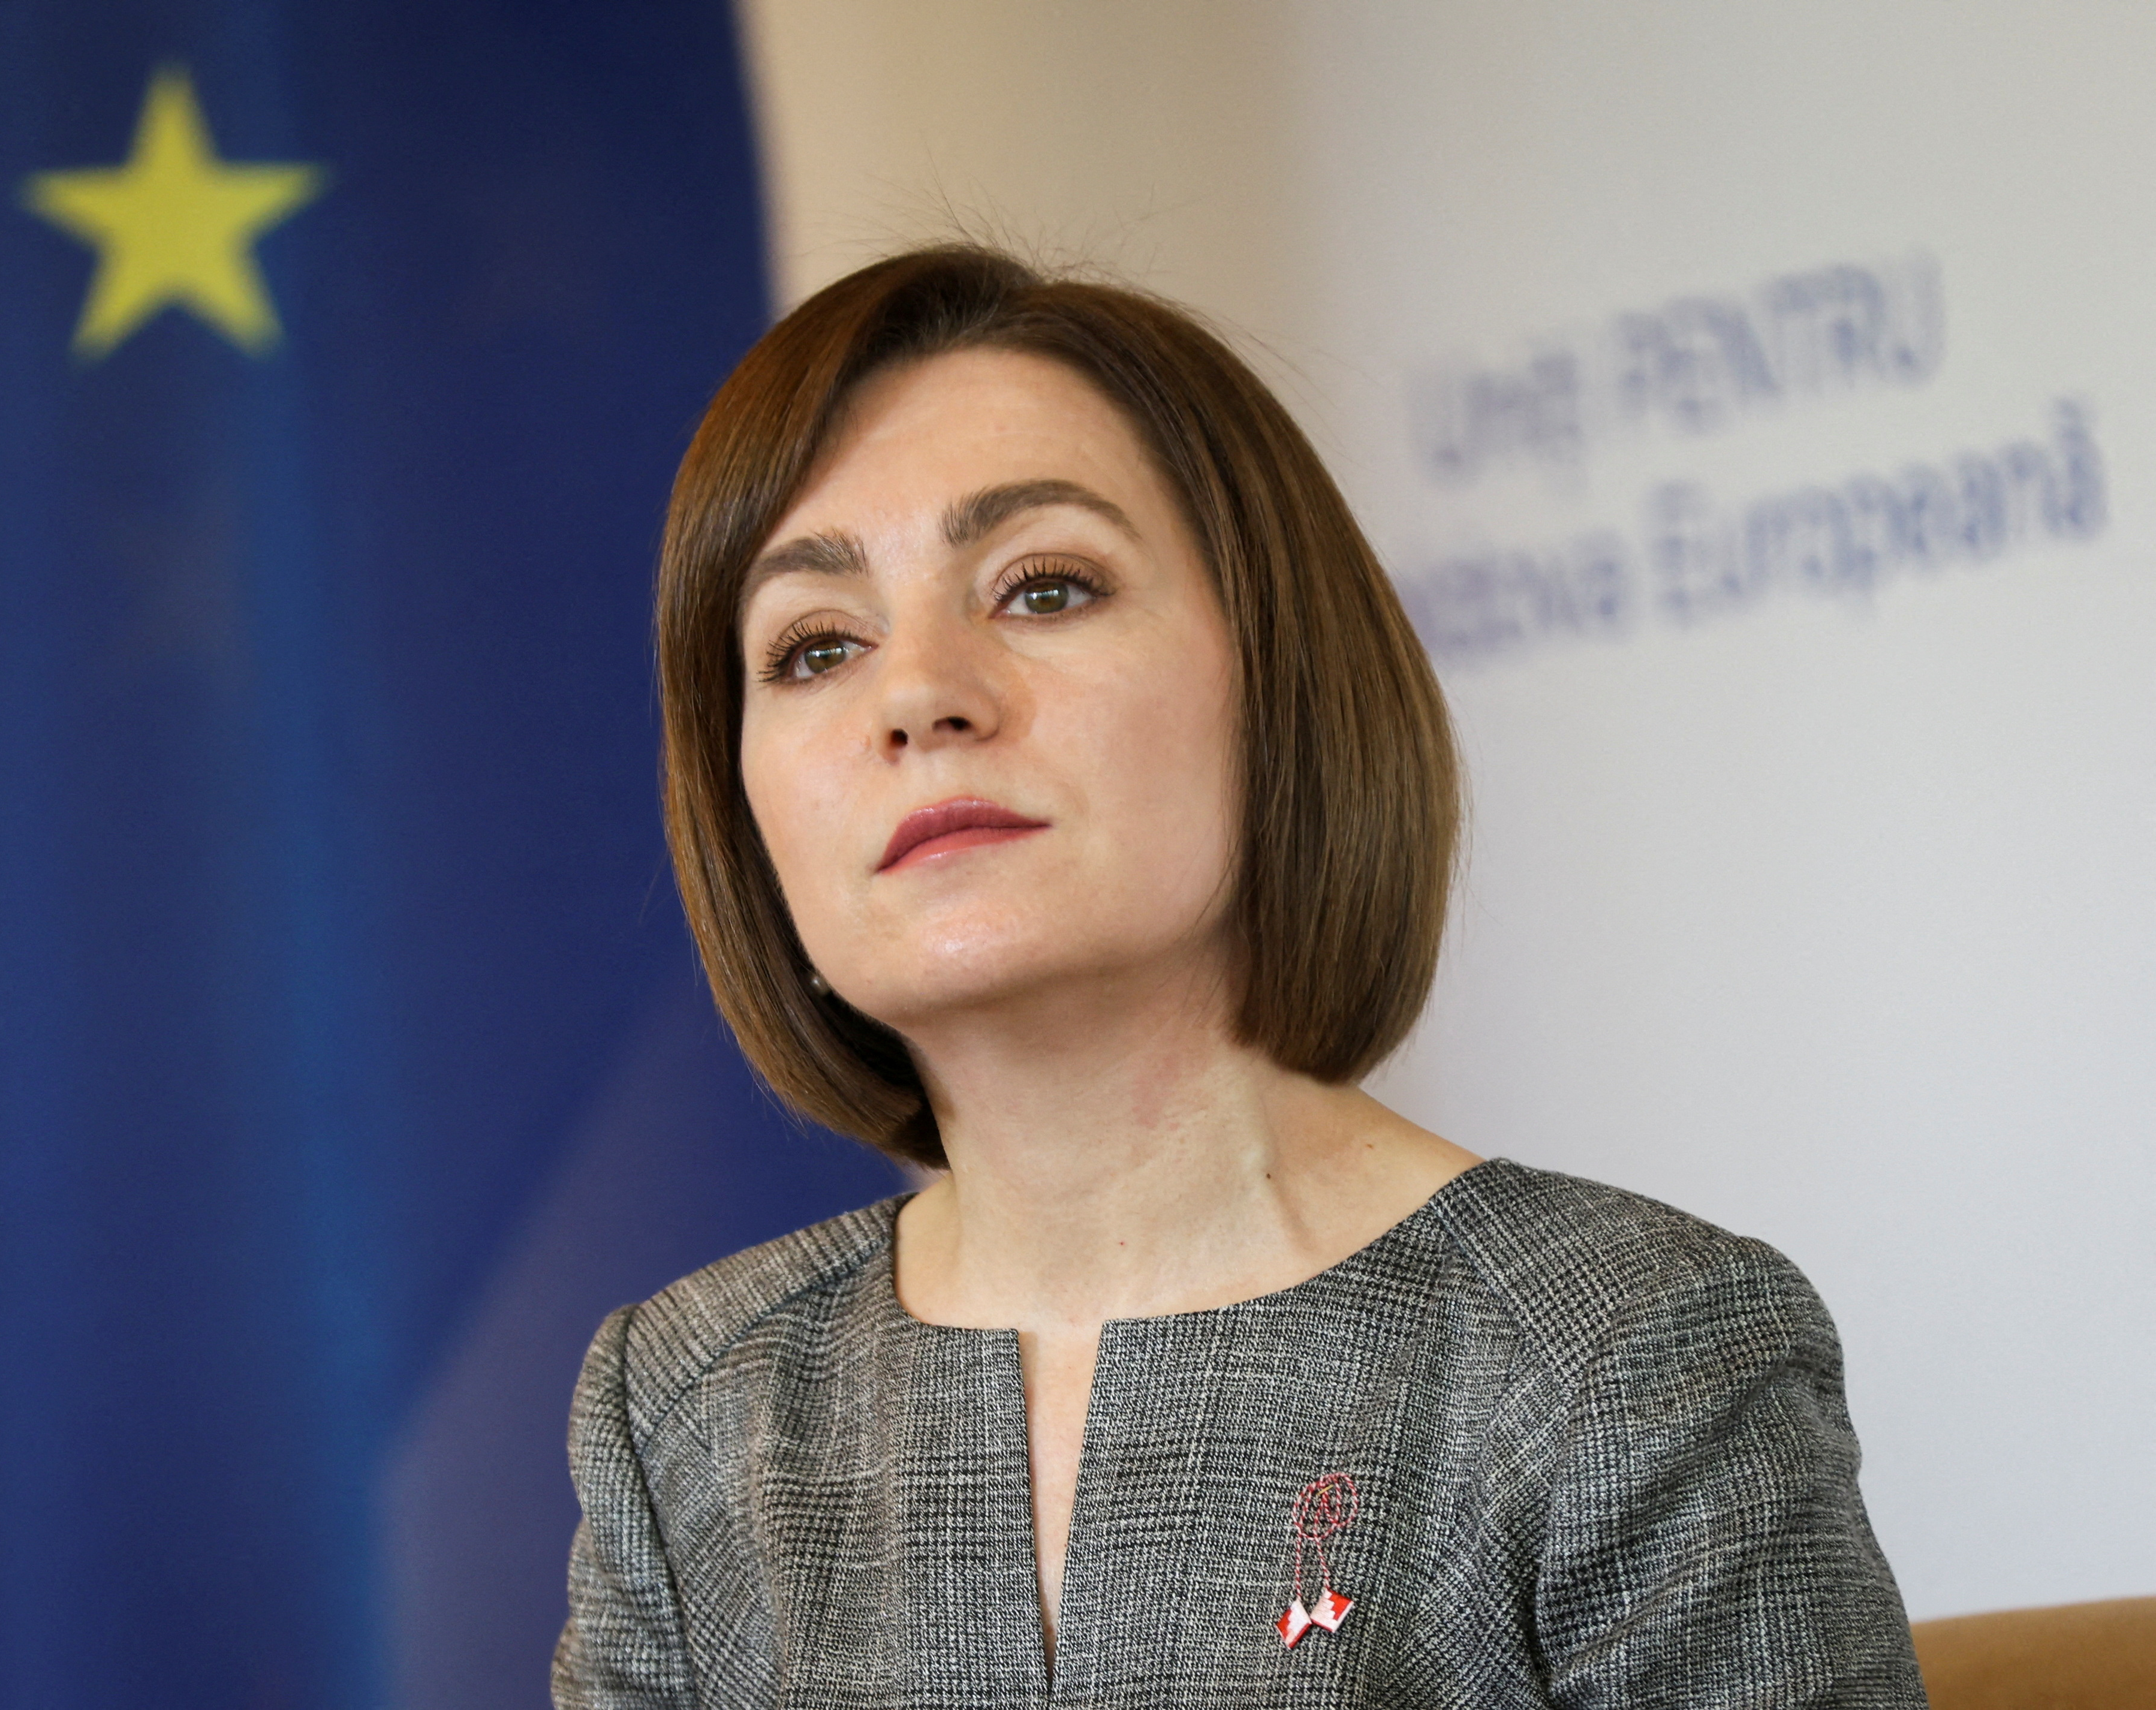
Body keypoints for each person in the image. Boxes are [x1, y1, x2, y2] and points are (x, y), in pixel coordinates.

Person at [555, 245, 1925, 1708]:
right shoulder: (684, 1405)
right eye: (815, 647)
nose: (917, 695)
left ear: (1281, 676)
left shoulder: (1628, 1354)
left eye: (1043, 587)